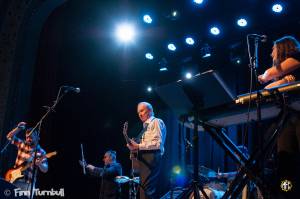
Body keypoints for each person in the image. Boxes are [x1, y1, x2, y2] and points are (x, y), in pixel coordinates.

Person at [258, 36, 300, 197]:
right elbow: (268, 87)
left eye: (273, 49)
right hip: (288, 118)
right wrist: (281, 81)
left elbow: (267, 76)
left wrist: (268, 75)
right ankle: (286, 193)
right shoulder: (286, 74)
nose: (271, 54)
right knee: (285, 160)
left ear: (282, 48)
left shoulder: (297, 58)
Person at [127, 102, 167, 199]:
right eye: (138, 112)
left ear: (149, 110)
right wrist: (134, 147)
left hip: (151, 157)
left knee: (147, 189)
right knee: (144, 189)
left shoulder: (156, 121)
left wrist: (138, 146)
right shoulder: (146, 126)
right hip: (146, 157)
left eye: (142, 111)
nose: (140, 114)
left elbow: (157, 144)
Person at [6, 121, 48, 192]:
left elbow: (45, 169)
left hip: (28, 184)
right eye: (27, 137)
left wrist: (40, 164)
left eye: (31, 137)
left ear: (37, 137)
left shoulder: (41, 152)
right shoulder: (22, 144)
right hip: (14, 180)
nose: (28, 139)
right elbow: (9, 137)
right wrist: (18, 128)